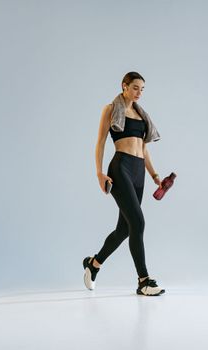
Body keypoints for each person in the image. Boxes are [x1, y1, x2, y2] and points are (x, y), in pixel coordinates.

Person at [82, 72, 165, 296]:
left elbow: (143, 149)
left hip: (139, 171)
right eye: (135, 87)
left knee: (124, 229)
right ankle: (143, 280)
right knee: (137, 222)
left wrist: (155, 175)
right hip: (120, 168)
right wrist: (99, 174)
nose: (139, 92)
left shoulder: (140, 114)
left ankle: (94, 263)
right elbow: (99, 142)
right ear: (124, 86)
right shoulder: (110, 109)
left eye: (142, 89)